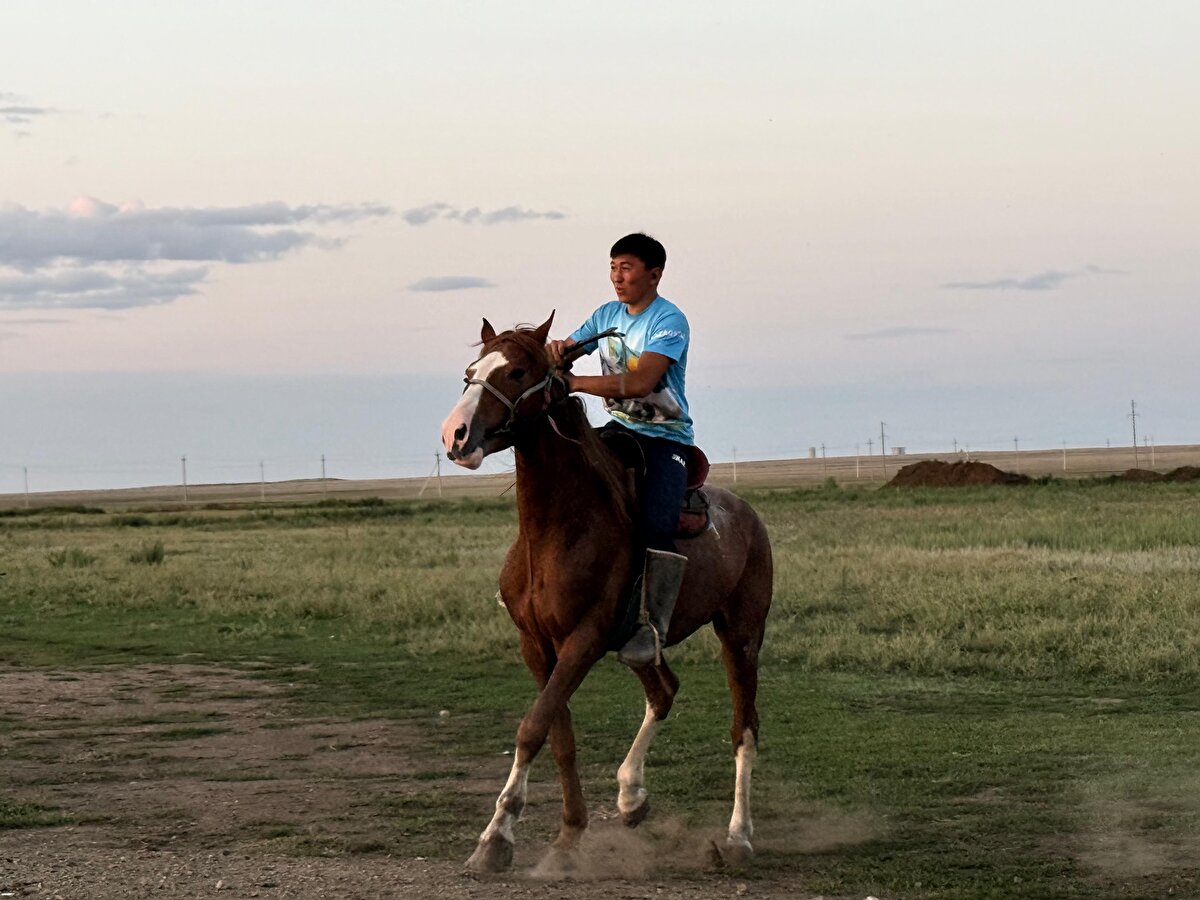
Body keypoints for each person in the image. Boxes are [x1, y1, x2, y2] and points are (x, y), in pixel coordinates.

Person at [547, 233, 692, 667]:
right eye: (613, 267)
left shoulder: (669, 321)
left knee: (654, 525)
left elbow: (642, 382)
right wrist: (557, 353)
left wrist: (573, 384)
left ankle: (652, 626)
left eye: (626, 267)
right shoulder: (606, 314)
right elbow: (570, 349)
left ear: (654, 274)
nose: (617, 276)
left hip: (667, 438)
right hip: (621, 429)